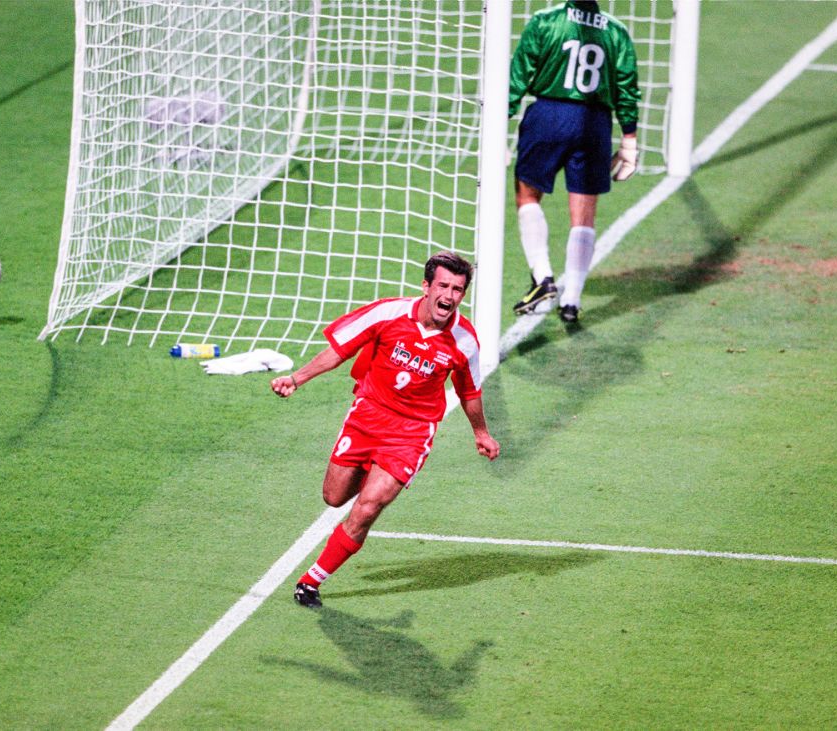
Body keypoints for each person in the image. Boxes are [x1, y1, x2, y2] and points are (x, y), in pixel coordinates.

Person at [270, 251, 500, 608]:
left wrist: (481, 432)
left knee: (367, 508)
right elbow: (339, 350)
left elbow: (469, 391)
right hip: (368, 415)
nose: (449, 296)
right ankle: (372, 471)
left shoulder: (464, 340)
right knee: (333, 497)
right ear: (426, 287)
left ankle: (311, 581)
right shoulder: (388, 313)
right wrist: (297, 378)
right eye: (443, 285)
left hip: (411, 432)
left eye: (457, 289)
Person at [508, 0, 641, 323]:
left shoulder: (545, 21)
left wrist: (502, 117)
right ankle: (572, 300)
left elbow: (519, 74)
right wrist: (629, 139)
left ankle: (543, 279)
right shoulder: (616, 32)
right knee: (583, 212)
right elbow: (626, 87)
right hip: (595, 122)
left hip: (549, 115)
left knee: (527, 194)